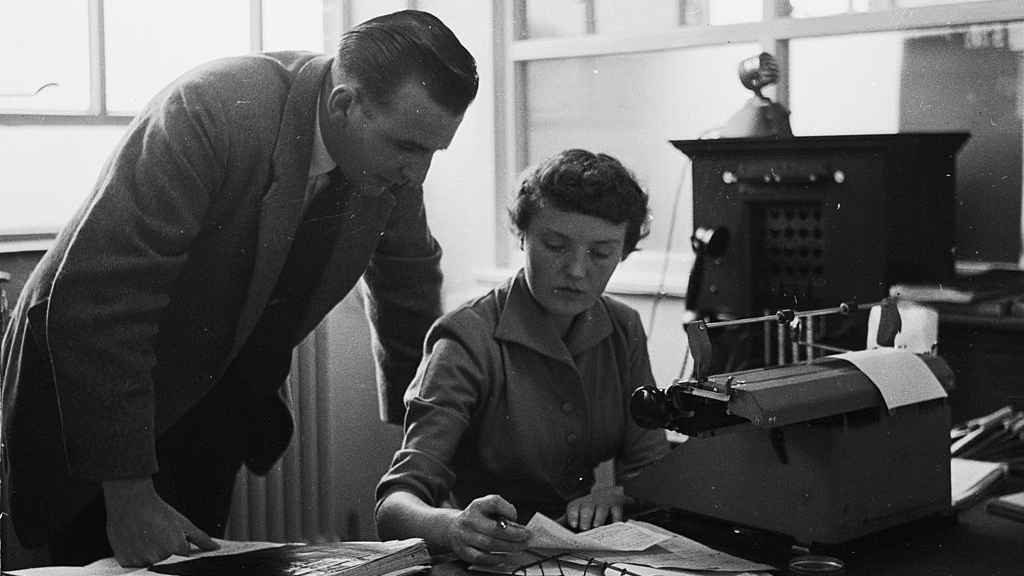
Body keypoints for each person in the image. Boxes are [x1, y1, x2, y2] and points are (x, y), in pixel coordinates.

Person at [0, 10, 477, 568]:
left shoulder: (391, 164)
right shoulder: (212, 109)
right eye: (409, 148)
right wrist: (128, 496)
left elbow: (409, 285)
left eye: (433, 152)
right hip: (95, 391)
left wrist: (428, 455)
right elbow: (104, 303)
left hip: (214, 400)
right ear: (343, 105)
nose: (419, 174)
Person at [374, 149, 671, 565]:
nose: (577, 270)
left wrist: (621, 494)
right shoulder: (466, 337)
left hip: (580, 558)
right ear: (522, 235)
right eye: (555, 245)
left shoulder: (624, 328)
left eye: (601, 253)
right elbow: (393, 508)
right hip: (485, 562)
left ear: (624, 251)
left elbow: (654, 471)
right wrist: (454, 527)